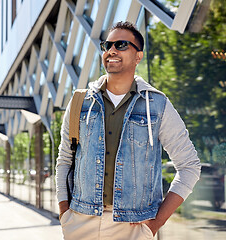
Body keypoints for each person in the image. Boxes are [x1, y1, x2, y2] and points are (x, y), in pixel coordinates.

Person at [55, 21, 201, 240]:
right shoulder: (79, 101)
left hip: (132, 228)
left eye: (121, 45)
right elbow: (65, 160)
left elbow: (189, 166)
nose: (112, 50)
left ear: (138, 56)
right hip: (79, 222)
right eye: (107, 45)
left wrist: (155, 223)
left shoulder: (158, 105)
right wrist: (65, 213)